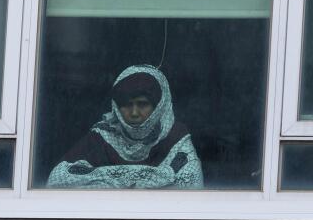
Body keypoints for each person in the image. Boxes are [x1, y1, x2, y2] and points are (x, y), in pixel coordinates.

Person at [46, 64, 204, 189]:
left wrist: (107, 180)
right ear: (116, 107)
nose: (134, 113)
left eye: (142, 104)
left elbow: (190, 190)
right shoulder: (104, 135)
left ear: (159, 107)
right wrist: (160, 179)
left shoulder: (175, 137)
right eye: (127, 105)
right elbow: (59, 179)